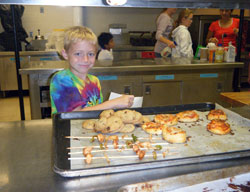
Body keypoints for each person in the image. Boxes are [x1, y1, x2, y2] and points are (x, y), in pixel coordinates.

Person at [50, 26, 134, 115]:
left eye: (90, 54)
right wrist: (113, 103)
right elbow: (74, 115)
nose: (85, 59)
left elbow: (97, 111)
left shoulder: (94, 81)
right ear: (65, 54)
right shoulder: (61, 79)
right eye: (78, 54)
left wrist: (117, 106)